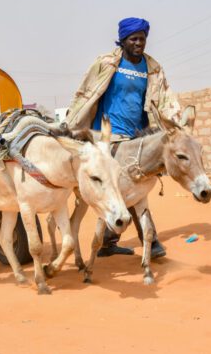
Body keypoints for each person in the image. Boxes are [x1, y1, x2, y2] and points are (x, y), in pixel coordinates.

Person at [66, 17, 181, 258]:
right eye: (134, 39)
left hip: (137, 134)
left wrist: (178, 124)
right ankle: (152, 240)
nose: (139, 43)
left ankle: (108, 241)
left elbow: (164, 100)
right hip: (109, 134)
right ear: (124, 40)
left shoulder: (152, 68)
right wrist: (72, 121)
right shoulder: (107, 63)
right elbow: (85, 93)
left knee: (133, 185)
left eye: (143, 38)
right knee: (132, 185)